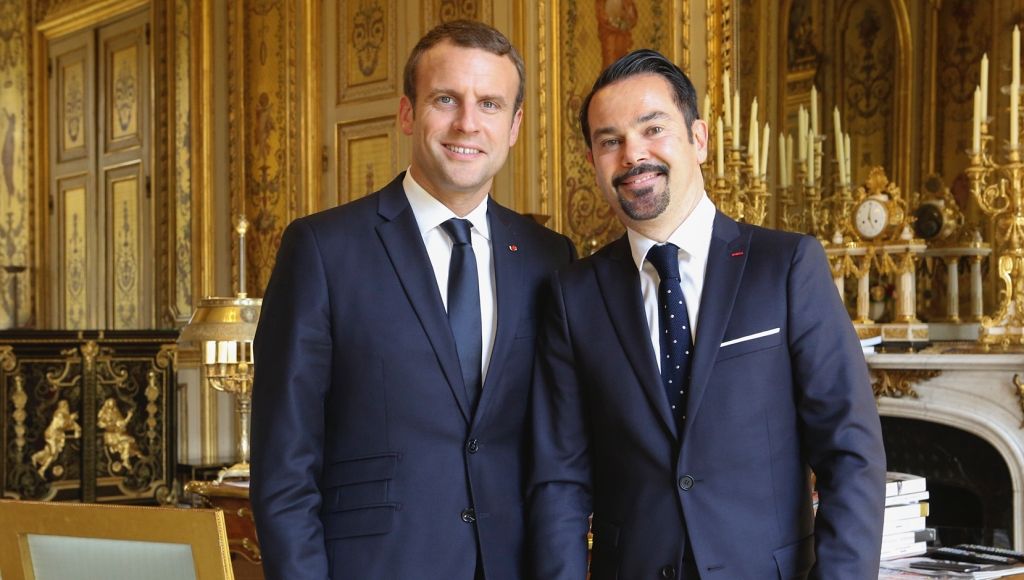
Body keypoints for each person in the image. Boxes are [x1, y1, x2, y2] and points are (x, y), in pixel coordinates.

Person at [528, 49, 885, 579]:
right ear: (593, 164)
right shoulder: (572, 294)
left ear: (699, 139)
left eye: (653, 129)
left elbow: (850, 452)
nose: (632, 155)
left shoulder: (785, 266)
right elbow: (559, 481)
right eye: (610, 141)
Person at [251, 20, 575, 580]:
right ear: (407, 112)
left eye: (491, 104)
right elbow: (284, 467)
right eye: (445, 99)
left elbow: (557, 451)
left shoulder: (549, 258)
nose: (467, 123)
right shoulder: (323, 249)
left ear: (515, 125)